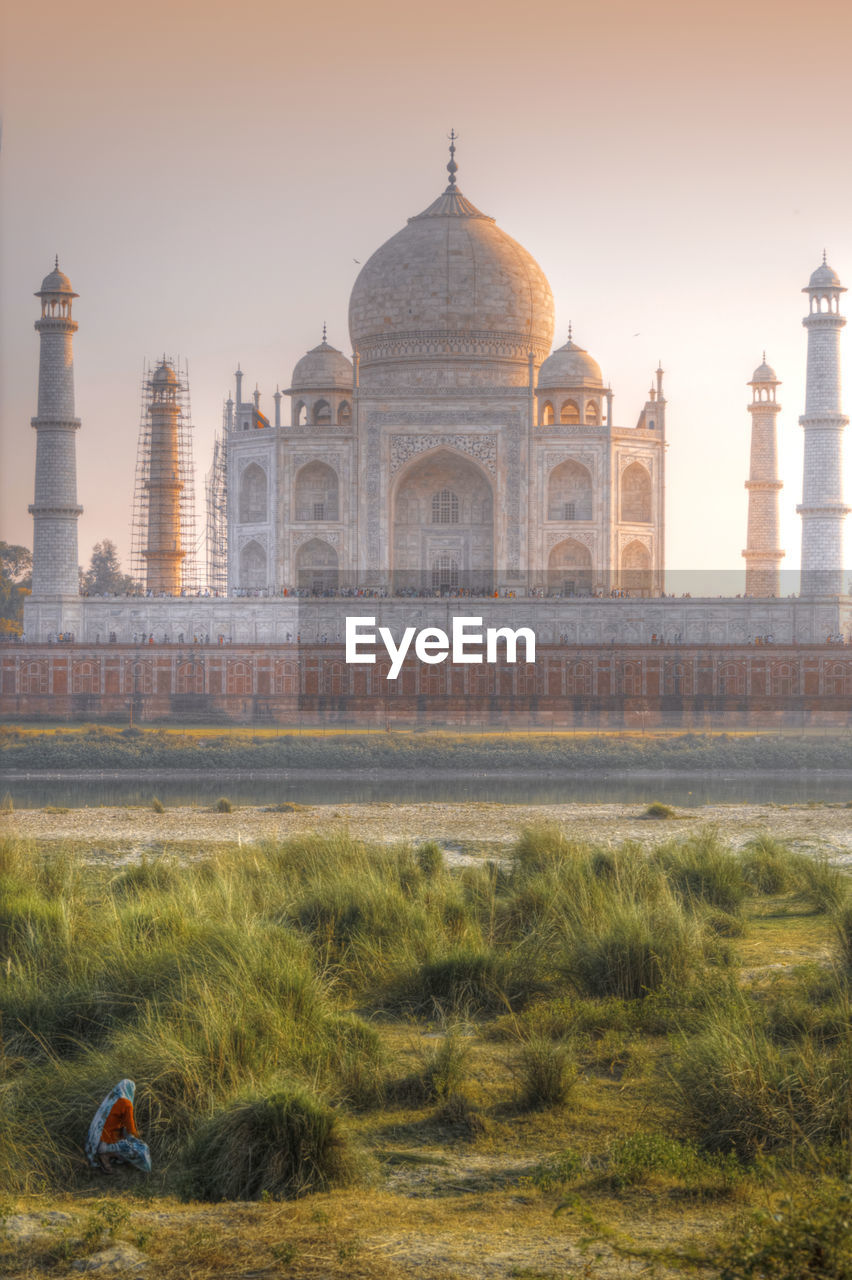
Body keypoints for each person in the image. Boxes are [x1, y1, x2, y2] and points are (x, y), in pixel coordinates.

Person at [85, 1080, 151, 1175]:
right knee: (140, 1151)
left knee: (123, 1139)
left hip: (95, 1142)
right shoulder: (126, 1104)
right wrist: (138, 1136)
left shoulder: (111, 1099)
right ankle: (105, 1155)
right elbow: (131, 1129)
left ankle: (107, 1154)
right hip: (106, 1145)